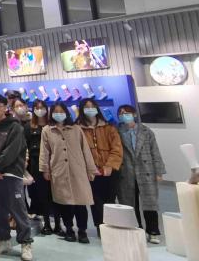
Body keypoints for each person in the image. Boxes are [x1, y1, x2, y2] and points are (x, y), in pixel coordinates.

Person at [0, 95, 33, 261]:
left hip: (11, 174)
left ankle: (26, 243)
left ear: (5, 107)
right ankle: (3, 240)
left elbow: (11, 152)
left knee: (18, 210)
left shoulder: (15, 127)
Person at [40, 103, 97, 244]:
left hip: (78, 170)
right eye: (56, 111)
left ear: (66, 112)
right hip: (59, 170)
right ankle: (69, 229)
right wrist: (45, 169)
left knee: (81, 203)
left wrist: (91, 169)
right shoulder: (47, 130)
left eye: (61, 111)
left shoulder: (76, 129)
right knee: (64, 203)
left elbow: (85, 150)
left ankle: (82, 231)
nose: (59, 114)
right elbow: (44, 151)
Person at [116, 105, 166, 244]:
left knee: (150, 203)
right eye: (121, 113)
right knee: (129, 203)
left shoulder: (146, 131)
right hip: (126, 172)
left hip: (146, 171)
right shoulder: (117, 131)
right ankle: (135, 228)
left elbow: (155, 151)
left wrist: (159, 171)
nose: (124, 115)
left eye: (127, 113)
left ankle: (153, 231)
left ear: (134, 114)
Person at [79, 98, 122, 229]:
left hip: (109, 171)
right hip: (91, 171)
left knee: (110, 199)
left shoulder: (109, 127)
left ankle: (112, 225)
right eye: (86, 107)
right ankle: (100, 227)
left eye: (92, 106)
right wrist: (89, 168)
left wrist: (109, 165)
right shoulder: (78, 129)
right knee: (95, 201)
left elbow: (117, 148)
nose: (90, 109)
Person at [25, 101, 54, 234]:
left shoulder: (52, 125)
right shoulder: (28, 126)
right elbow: (25, 145)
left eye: (42, 107)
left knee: (53, 192)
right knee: (39, 192)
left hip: (53, 162)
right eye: (37, 108)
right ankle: (44, 220)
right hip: (35, 162)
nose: (40, 110)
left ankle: (56, 221)